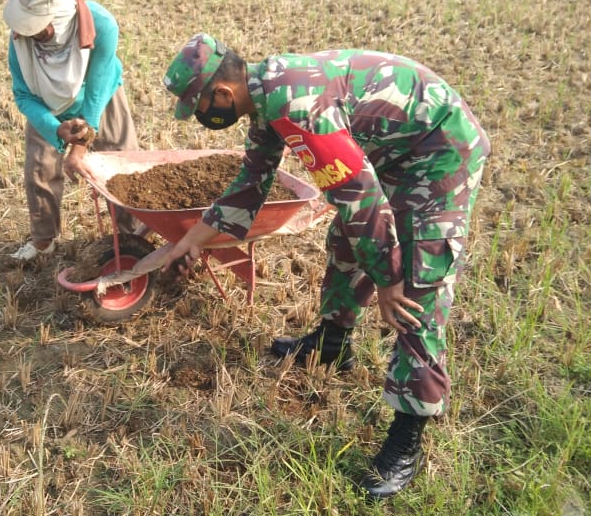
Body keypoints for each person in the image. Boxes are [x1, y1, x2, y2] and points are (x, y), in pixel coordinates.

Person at [161, 33, 490, 498]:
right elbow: (251, 182)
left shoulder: (297, 106)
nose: (201, 117)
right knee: (347, 242)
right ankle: (332, 344)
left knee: (418, 285)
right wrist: (192, 239)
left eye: (199, 107)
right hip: (396, 150)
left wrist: (389, 279)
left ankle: (407, 436)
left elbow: (361, 198)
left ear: (221, 95)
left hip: (439, 150)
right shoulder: (265, 96)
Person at [1, 0, 139, 261]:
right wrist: (54, 128)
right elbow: (23, 95)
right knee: (39, 170)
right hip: (44, 102)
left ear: (61, 17)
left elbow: (98, 85)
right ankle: (43, 241)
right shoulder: (20, 41)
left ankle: (130, 240)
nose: (31, 33)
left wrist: (81, 143)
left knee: (119, 163)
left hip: (99, 95)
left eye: (40, 27)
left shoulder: (102, 25)